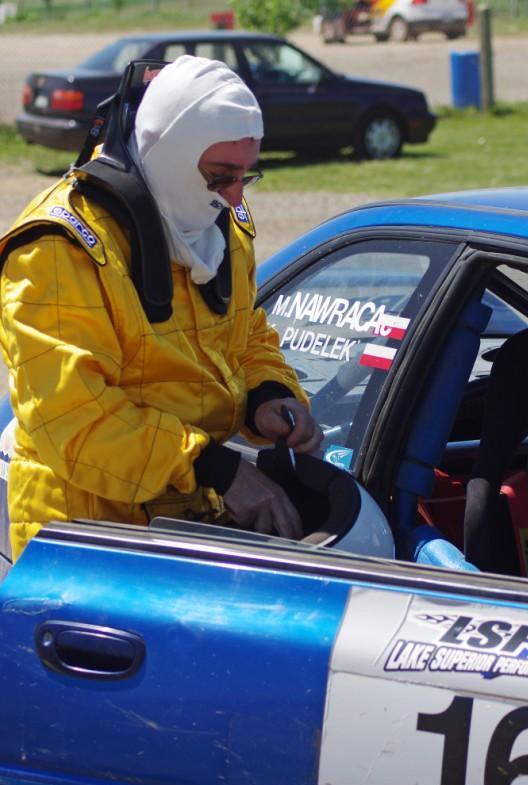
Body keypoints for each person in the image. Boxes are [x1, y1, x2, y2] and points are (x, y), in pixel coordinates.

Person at [0, 55, 323, 561]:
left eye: (246, 175)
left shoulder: (212, 215)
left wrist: (268, 394)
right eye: (220, 176)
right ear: (169, 156)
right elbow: (74, 419)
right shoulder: (58, 248)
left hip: (180, 520)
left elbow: (246, 332)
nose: (235, 194)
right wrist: (214, 468)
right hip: (82, 538)